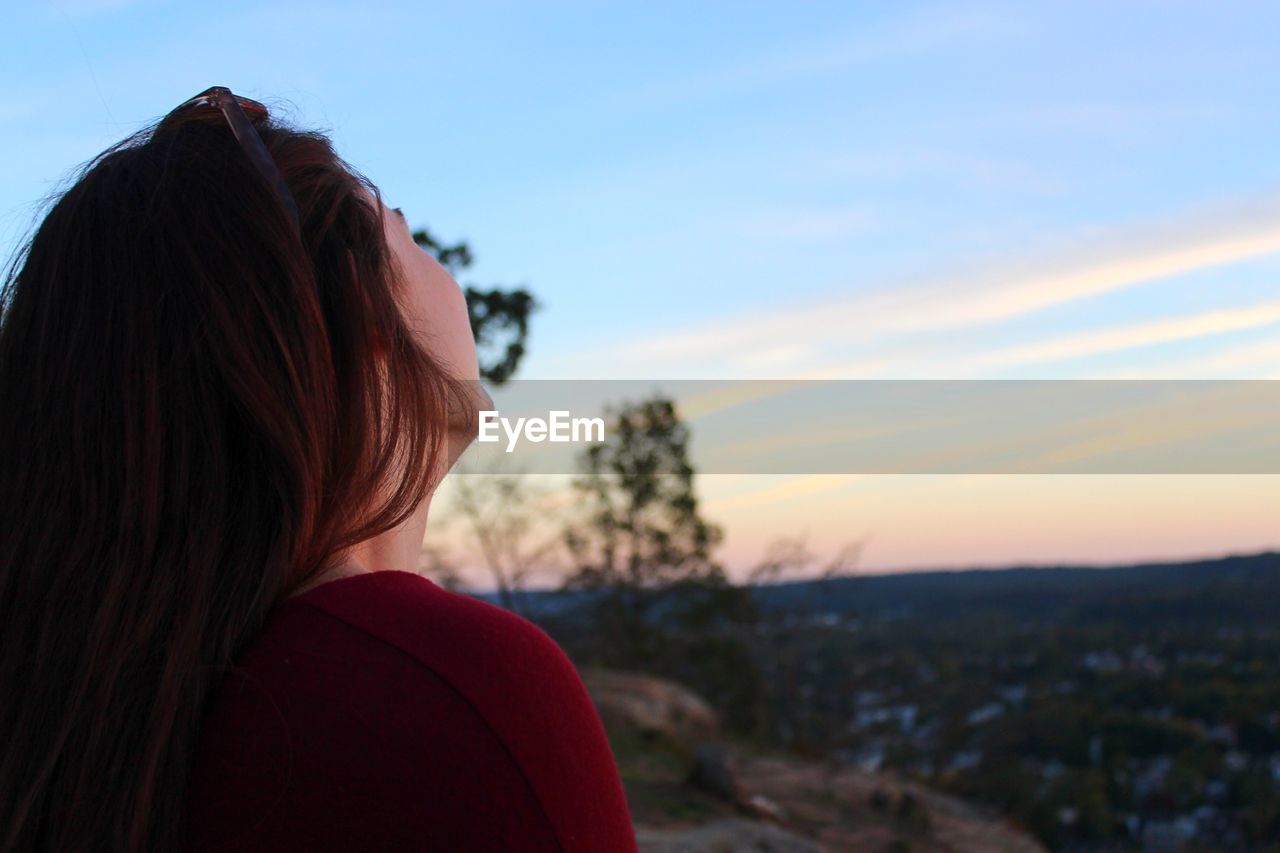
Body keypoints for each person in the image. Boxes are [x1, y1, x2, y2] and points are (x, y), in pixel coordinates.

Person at [0, 86, 638, 852]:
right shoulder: (455, 692)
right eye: (404, 233)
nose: (445, 269)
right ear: (367, 309)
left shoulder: (72, 710)